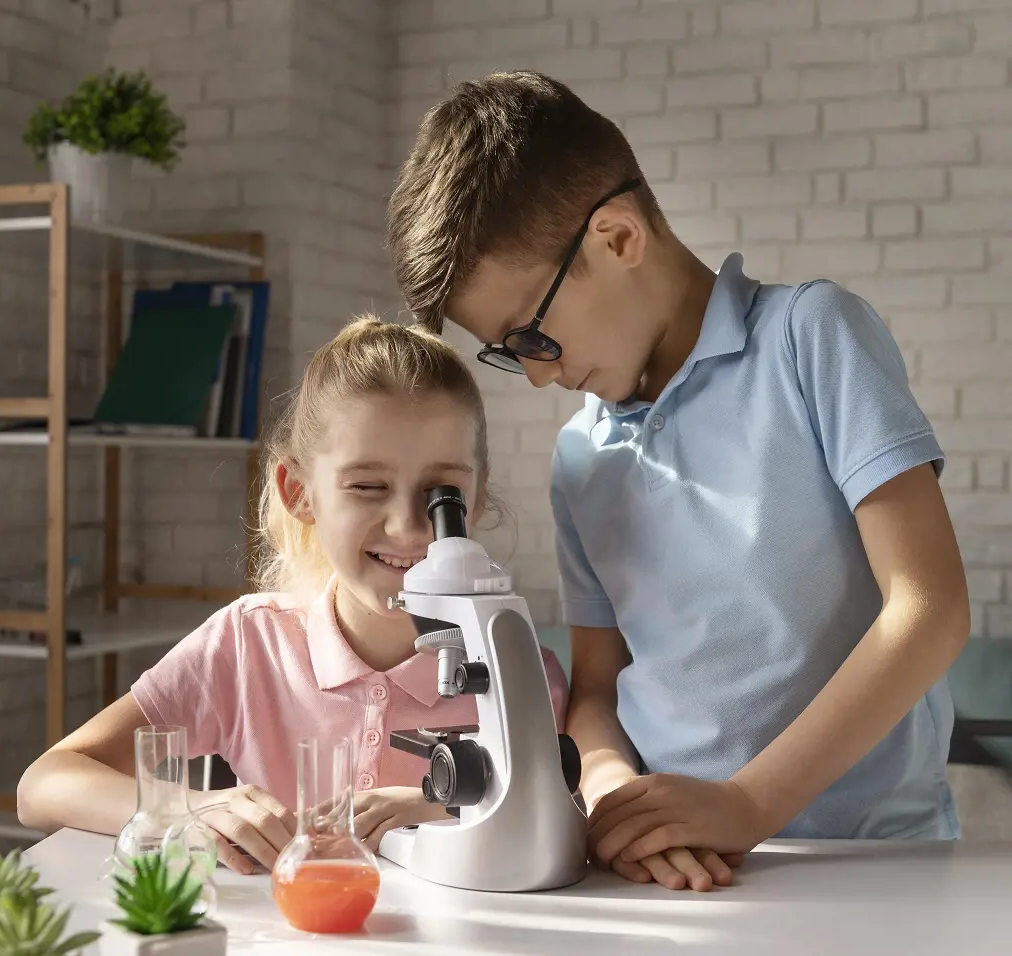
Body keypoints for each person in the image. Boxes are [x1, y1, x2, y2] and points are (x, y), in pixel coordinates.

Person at [384, 71, 970, 892]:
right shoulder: (581, 458)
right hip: (671, 872)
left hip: (870, 864)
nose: (537, 377)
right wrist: (614, 791)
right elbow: (595, 690)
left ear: (618, 238)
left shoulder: (811, 338)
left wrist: (746, 802)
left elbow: (930, 609)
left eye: (531, 337)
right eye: (506, 353)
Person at [17, 316, 570, 874]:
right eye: (367, 486)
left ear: (474, 498)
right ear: (299, 493)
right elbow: (44, 784)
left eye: (441, 493)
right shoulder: (248, 644)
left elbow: (572, 820)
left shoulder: (517, 669)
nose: (407, 527)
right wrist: (191, 809)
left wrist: (448, 806)